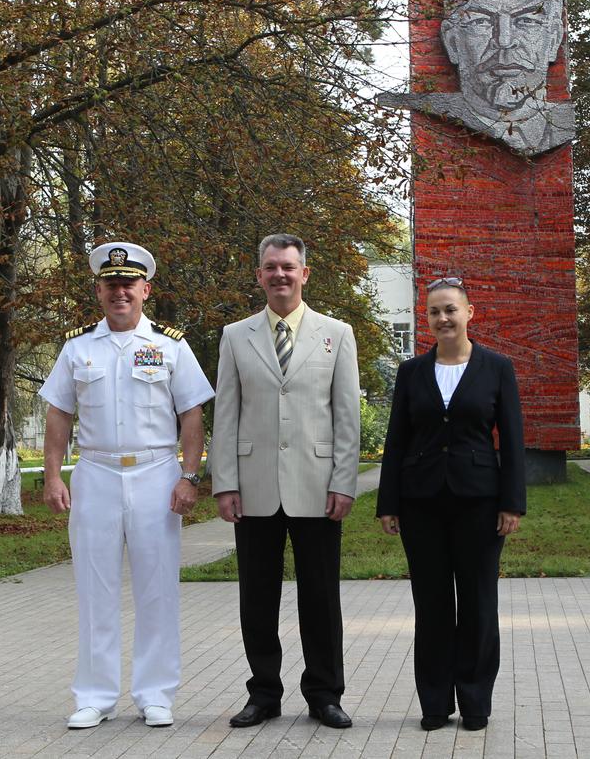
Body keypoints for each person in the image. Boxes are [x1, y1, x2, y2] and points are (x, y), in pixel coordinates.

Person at [40, 241, 214, 730]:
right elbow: (59, 415)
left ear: (145, 289)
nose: (120, 292)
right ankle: (94, 696)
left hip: (157, 472)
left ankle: (155, 694)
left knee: (157, 588)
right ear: (99, 291)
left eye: (128, 285)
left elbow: (192, 415)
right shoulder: (77, 348)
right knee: (94, 588)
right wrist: (53, 475)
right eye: (111, 285)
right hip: (95, 472)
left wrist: (189, 475)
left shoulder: (171, 346)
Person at [209, 233, 361, 729]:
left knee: (321, 598)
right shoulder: (236, 336)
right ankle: (264, 694)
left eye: (289, 267)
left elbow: (346, 417)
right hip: (252, 488)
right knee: (257, 598)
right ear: (259, 275)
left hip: (317, 487)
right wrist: (225, 482)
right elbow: (227, 413)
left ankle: (325, 694)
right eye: (271, 267)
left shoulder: (336, 334)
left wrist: (344, 482)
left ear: (304, 274)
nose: (280, 275)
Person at [375, 276, 526, 732]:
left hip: (479, 503)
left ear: (469, 313)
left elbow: (514, 441)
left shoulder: (497, 367)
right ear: (428, 319)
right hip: (421, 503)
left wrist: (511, 503)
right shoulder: (411, 372)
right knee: (433, 605)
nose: (444, 318)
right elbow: (397, 440)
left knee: (479, 603)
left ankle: (476, 701)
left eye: (451, 310)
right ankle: (435, 704)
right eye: (435, 311)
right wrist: (388, 503)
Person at [379, 0, 573, 156]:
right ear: (452, 42)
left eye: (526, 20)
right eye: (480, 21)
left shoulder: (563, 124)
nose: (504, 40)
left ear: (554, 38)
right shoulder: (428, 112)